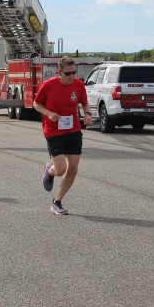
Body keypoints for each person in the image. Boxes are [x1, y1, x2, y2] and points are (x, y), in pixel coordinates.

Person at [33, 56, 93, 215]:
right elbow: (36, 104)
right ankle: (49, 170)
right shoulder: (48, 85)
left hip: (73, 129)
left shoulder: (78, 84)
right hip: (53, 130)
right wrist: (49, 113)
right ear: (59, 72)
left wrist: (87, 114)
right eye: (68, 73)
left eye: (74, 72)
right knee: (60, 170)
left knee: (72, 169)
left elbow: (84, 102)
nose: (72, 76)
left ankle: (57, 202)